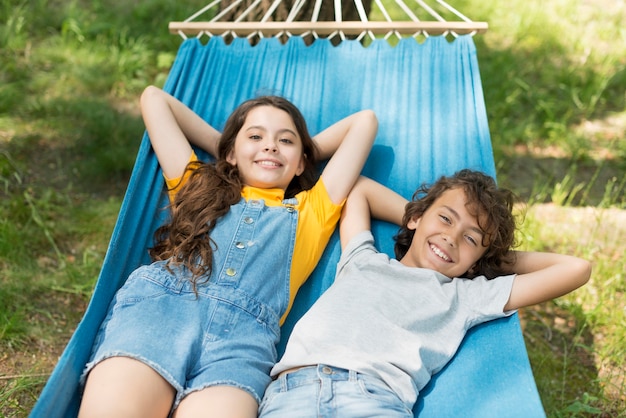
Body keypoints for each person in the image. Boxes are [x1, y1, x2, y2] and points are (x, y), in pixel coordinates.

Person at [77, 86, 378, 418]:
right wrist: (227, 149)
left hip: (239, 348)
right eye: (255, 136)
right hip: (157, 315)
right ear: (232, 153)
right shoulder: (196, 186)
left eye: (286, 140)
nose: (270, 145)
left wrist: (290, 154)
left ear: (301, 162)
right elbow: (153, 98)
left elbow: (364, 123)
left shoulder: (313, 210)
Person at [258, 169, 591, 418]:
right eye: (445, 219)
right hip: (293, 392)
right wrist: (419, 215)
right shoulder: (361, 258)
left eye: (470, 238)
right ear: (416, 217)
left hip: (373, 399)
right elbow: (359, 189)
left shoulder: (466, 296)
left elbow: (576, 269)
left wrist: (489, 259)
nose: (451, 238)